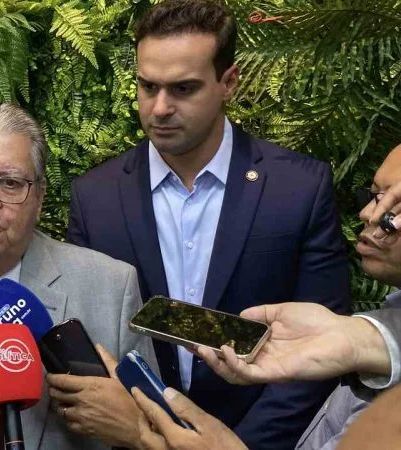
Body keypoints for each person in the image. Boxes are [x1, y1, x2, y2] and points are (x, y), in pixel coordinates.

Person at [66, 1, 349, 447]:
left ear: (228, 82)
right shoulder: (94, 198)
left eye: (183, 88)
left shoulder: (298, 188)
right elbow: (90, 340)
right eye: (148, 86)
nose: (160, 107)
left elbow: (325, 344)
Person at [125, 143, 401, 450]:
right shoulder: (376, 329)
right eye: (373, 196)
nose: (369, 214)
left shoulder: (298, 184)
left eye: (394, 207)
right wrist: (363, 339)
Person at [0, 100, 157, 450]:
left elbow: (158, 434)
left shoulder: (112, 288)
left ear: (40, 197)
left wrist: (134, 428)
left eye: (10, 183)